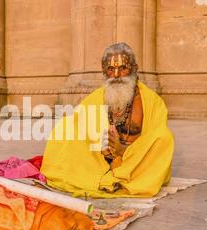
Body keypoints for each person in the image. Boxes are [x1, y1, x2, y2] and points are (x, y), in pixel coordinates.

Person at [41, 42, 175, 198]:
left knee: (164, 138)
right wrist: (103, 147)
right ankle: (104, 175)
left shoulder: (152, 101)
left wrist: (123, 150)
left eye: (122, 68)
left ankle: (126, 176)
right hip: (103, 160)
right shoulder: (95, 98)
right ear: (104, 70)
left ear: (134, 68)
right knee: (66, 127)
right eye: (111, 69)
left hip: (136, 162)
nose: (117, 75)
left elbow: (154, 137)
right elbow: (80, 124)